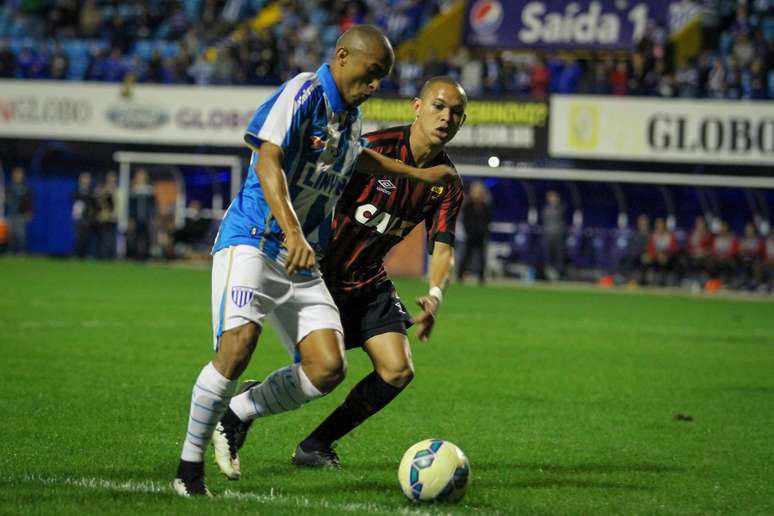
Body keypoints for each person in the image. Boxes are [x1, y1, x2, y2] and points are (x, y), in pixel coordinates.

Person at [173, 25, 455, 497]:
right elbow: (267, 161)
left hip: (305, 258)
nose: (375, 85)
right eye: (371, 73)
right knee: (238, 346)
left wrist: (415, 175)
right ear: (342, 57)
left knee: (327, 368)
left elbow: (355, 158)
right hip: (255, 240)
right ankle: (188, 469)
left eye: (383, 77)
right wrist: (291, 229)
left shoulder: (350, 117)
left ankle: (239, 412)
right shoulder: (302, 93)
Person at [456, 180, 490, 284]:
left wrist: (484, 232)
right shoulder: (468, 206)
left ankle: (481, 277)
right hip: (470, 235)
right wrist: (468, 232)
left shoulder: (485, 206)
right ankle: (460, 275)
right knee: (466, 255)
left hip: (481, 235)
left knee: (482, 257)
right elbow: (465, 220)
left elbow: (487, 220)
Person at [127, 168, 155, 260]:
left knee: (147, 238)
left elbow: (153, 206)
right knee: (135, 237)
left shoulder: (150, 190)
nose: (141, 177)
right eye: (139, 175)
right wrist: (131, 218)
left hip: (146, 218)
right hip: (136, 218)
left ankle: (146, 256)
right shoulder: (133, 190)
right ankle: (135, 256)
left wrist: (152, 217)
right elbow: (130, 207)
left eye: (143, 175)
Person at [5, 166, 34, 254]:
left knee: (20, 234)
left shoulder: (26, 188)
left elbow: (29, 201)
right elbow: (6, 201)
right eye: (15, 174)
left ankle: (22, 251)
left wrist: (29, 212)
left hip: (21, 214)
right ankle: (10, 251)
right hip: (10, 214)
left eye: (19, 174)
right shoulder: (9, 188)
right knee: (10, 234)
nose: (17, 176)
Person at [541, 190, 565, 280]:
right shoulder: (546, 209)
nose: (552, 199)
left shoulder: (561, 208)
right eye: (550, 197)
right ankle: (548, 274)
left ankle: (558, 274)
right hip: (548, 235)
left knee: (559, 256)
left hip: (558, 235)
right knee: (548, 255)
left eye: (554, 197)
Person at [72, 172, 97, 258]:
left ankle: (87, 254)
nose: (85, 180)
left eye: (87, 178)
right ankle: (77, 254)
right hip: (78, 218)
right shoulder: (76, 191)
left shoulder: (92, 192)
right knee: (78, 237)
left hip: (89, 218)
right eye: (84, 178)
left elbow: (94, 205)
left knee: (87, 237)